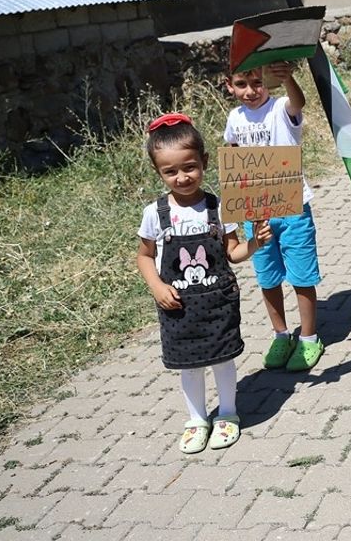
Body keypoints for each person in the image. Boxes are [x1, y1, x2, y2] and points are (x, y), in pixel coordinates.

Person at [136, 113, 271, 454]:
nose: (182, 177)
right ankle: (196, 419)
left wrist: (255, 244)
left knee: (223, 359)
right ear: (158, 171)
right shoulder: (155, 213)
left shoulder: (219, 207)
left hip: (217, 302)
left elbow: (233, 253)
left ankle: (227, 413)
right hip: (178, 306)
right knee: (189, 365)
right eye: (171, 171)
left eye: (190, 167)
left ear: (205, 162)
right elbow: (144, 256)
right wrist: (156, 286)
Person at [223, 63, 323, 372]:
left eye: (257, 82)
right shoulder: (234, 118)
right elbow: (234, 156)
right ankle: (281, 335)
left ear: (267, 81)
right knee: (267, 277)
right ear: (229, 85)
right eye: (242, 84)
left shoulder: (280, 107)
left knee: (302, 277)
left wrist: (287, 78)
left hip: (292, 207)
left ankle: (309, 338)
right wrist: (235, 205)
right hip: (256, 214)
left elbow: (299, 103)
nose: (250, 91)